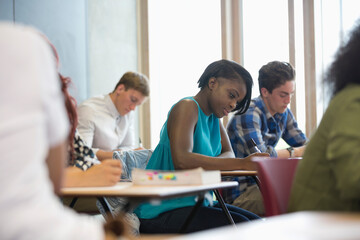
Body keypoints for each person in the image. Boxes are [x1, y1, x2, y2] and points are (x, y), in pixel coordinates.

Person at [0, 22, 128, 240]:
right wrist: (82, 176)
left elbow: (80, 152)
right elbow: (54, 177)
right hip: (48, 211)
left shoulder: (120, 118)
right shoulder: (26, 48)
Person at [134, 59, 268, 234]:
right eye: (232, 95)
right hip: (160, 210)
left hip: (194, 204)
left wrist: (209, 163)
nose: (233, 105)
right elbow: (182, 159)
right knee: (242, 229)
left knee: (258, 225)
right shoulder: (187, 107)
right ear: (212, 83)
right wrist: (242, 163)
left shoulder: (215, 120)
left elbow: (229, 153)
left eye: (237, 101)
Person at [288, 20, 360, 212]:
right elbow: (354, 179)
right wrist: (293, 152)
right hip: (322, 223)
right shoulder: (353, 100)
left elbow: (302, 143)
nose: (287, 100)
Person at [223, 61, 308, 215]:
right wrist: (294, 152)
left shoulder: (284, 113)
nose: (288, 100)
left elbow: (307, 147)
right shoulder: (248, 113)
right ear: (265, 92)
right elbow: (262, 157)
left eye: (291, 94)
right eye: (283, 95)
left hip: (265, 185)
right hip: (241, 193)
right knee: (300, 199)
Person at [77, 71, 150, 160]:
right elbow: (82, 152)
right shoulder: (89, 110)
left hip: (116, 170)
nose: (133, 108)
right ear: (120, 89)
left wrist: (125, 154)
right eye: (133, 100)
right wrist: (118, 155)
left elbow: (129, 146)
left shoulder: (128, 112)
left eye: (137, 104)